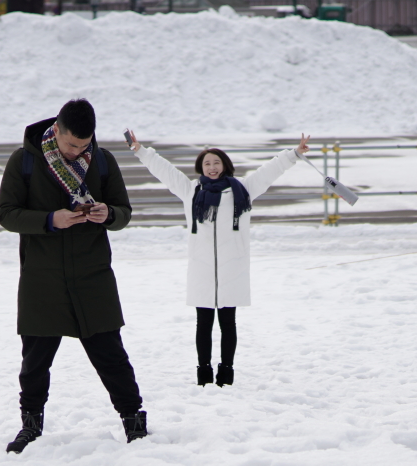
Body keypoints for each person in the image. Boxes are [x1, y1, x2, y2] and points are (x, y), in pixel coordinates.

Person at [0, 98, 145, 452]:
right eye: (71, 144)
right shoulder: (26, 160)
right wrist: (50, 220)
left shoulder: (103, 161)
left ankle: (134, 422)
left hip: (92, 277)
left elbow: (124, 212)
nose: (78, 151)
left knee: (112, 357)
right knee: (34, 363)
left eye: (84, 144)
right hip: (41, 279)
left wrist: (108, 213)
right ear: (57, 130)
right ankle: (30, 427)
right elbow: (6, 213)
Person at [126, 130, 308, 386]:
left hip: (232, 268)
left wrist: (294, 154)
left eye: (216, 162)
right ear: (201, 168)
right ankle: (203, 373)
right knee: (203, 324)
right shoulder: (191, 191)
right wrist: (141, 151)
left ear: (225, 166)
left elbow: (270, 170)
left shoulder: (242, 189)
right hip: (201, 269)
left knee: (228, 323)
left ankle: (226, 373)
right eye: (207, 163)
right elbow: (164, 171)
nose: (211, 167)